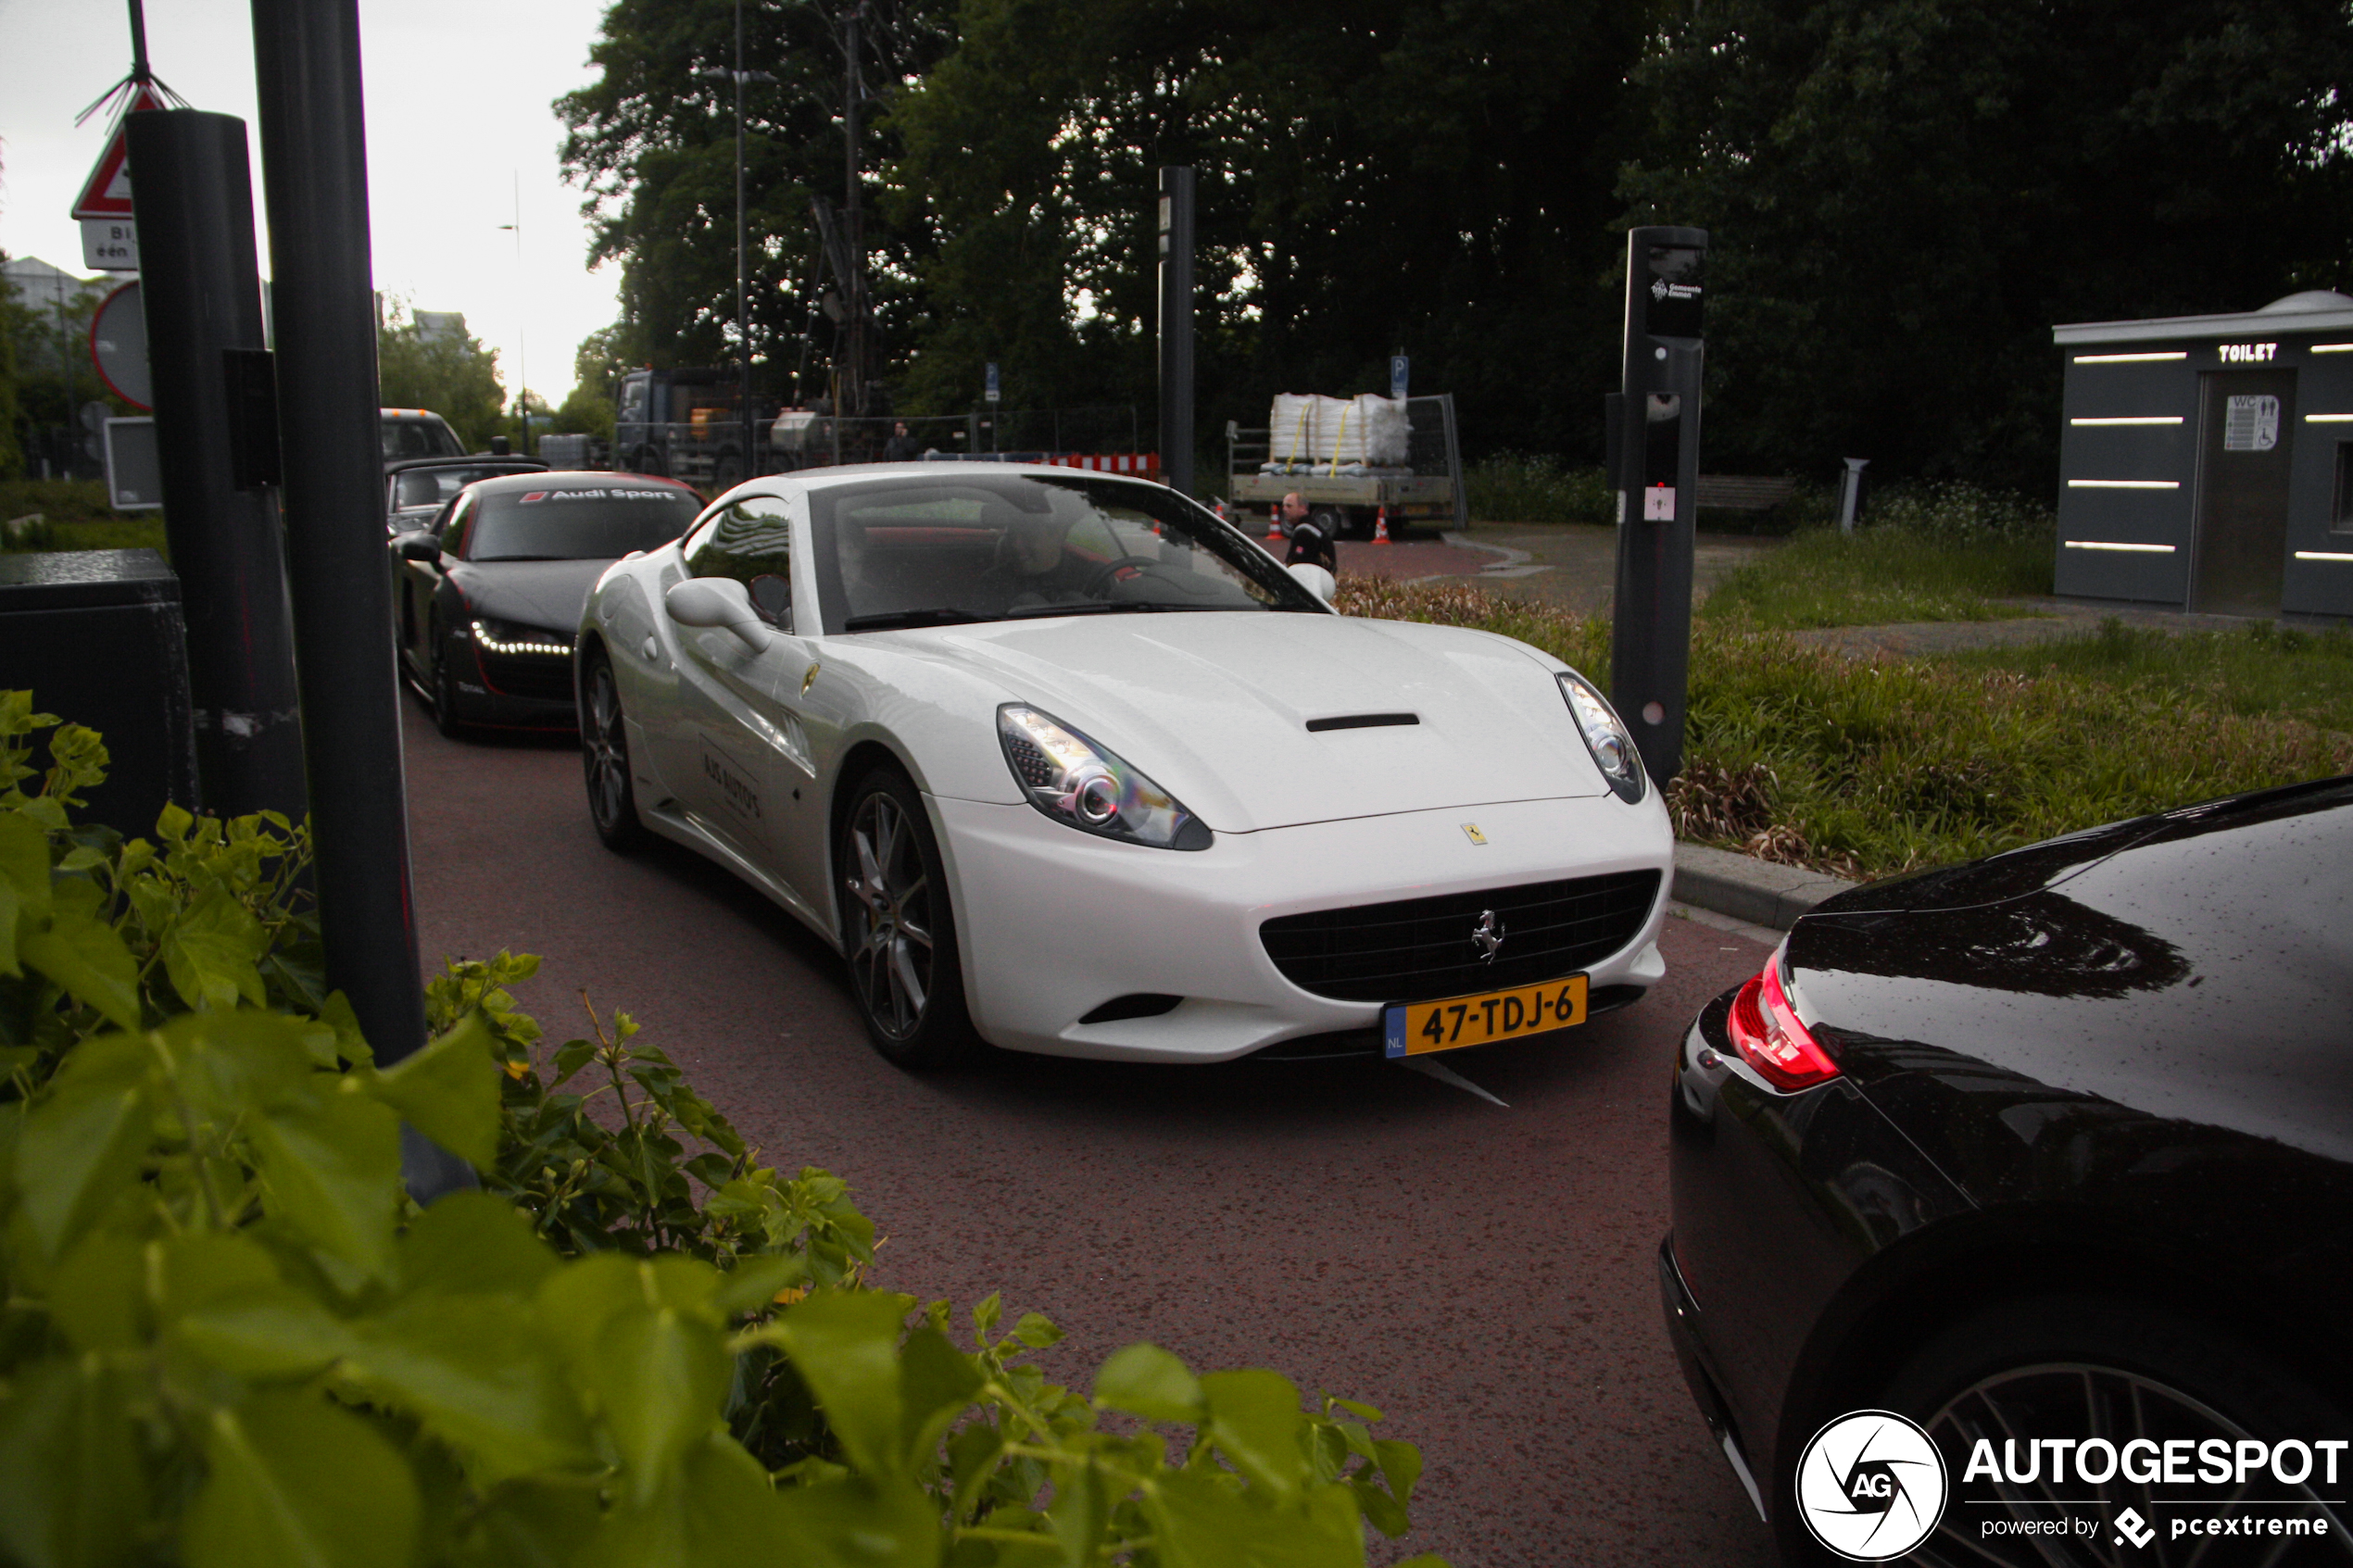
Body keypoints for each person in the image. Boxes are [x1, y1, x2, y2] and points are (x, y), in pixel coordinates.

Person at [1280, 492, 1338, 575]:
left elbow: (1296, 563)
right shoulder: (1311, 528)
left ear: (1302, 508)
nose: (1284, 509)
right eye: (1283, 506)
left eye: (1289, 506)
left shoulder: (1304, 532)